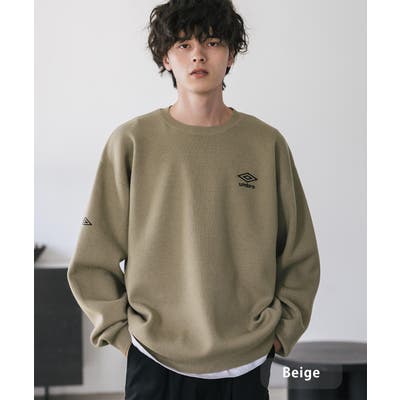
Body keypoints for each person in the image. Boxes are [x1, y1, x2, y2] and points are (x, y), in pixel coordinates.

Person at [67, 0, 321, 399]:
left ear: (231, 55)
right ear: (165, 58)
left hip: (248, 361)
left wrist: (281, 332)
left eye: (213, 42)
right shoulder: (131, 142)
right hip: (155, 362)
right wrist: (125, 339)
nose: (198, 55)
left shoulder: (266, 144)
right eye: (183, 44)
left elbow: (299, 254)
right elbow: (92, 261)